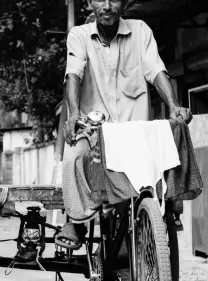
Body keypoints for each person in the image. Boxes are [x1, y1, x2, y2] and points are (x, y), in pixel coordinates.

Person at [54, 0, 193, 249]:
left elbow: (155, 69)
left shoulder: (140, 31)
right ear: (89, 3)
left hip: (134, 132)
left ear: (125, 2)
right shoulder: (79, 35)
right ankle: (76, 221)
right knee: (73, 156)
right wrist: (74, 114)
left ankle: (167, 209)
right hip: (94, 131)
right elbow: (74, 73)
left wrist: (173, 105)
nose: (107, 6)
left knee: (169, 145)